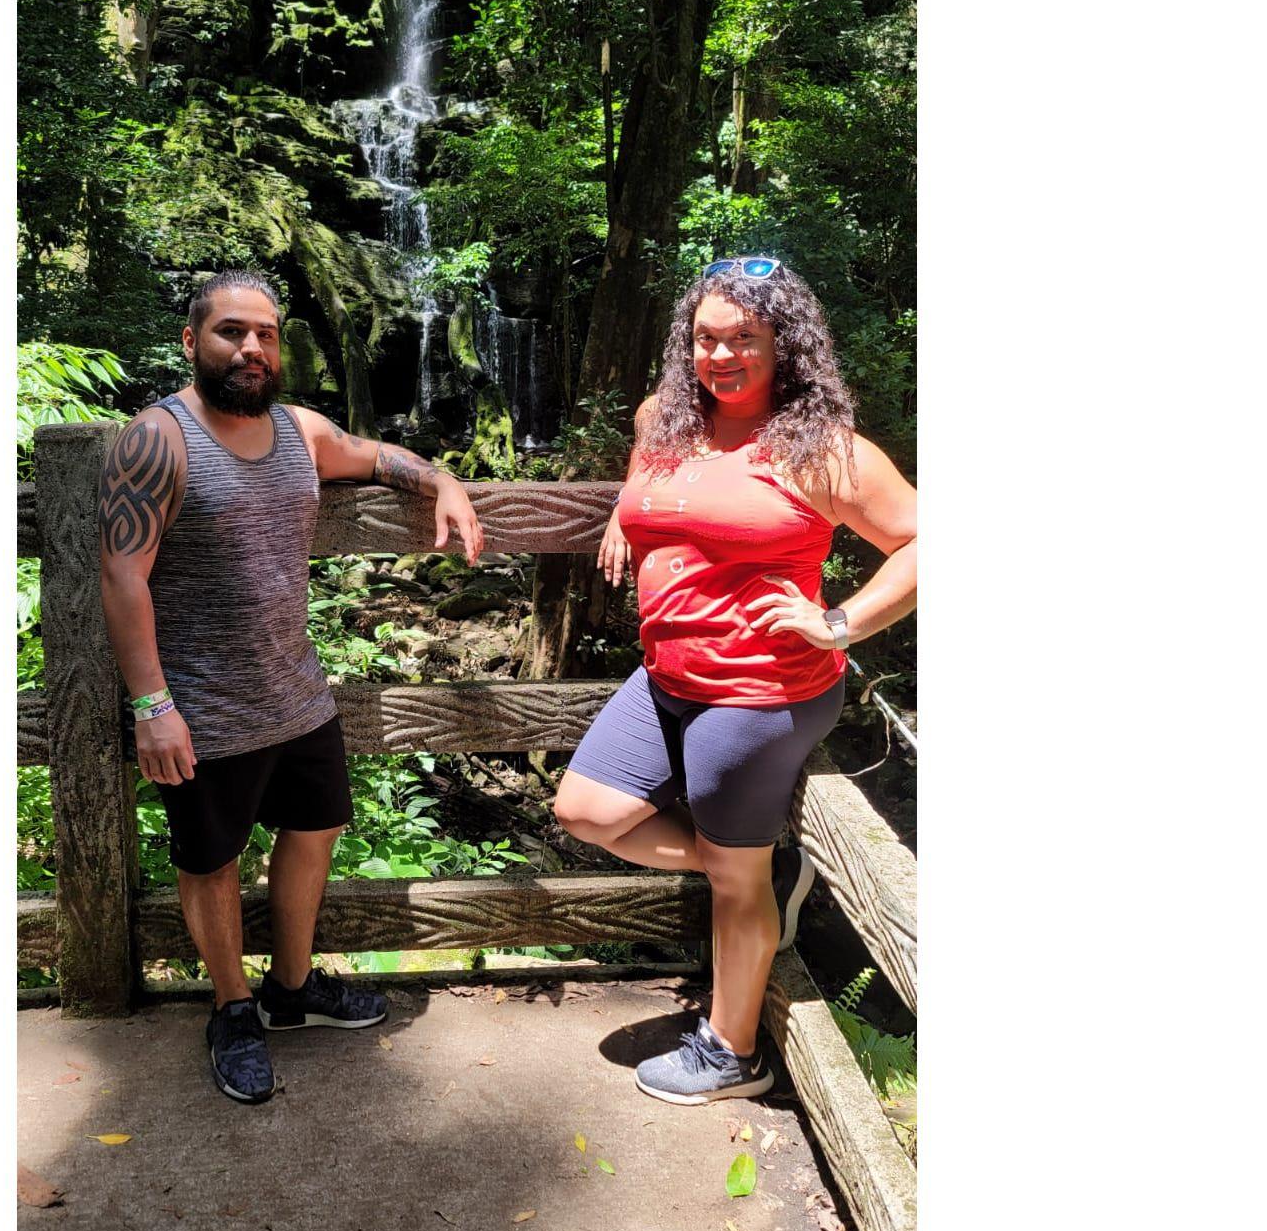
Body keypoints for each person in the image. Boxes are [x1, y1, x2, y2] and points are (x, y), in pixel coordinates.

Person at [98, 269, 484, 1105]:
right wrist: (153, 706)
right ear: (192, 341)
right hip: (201, 706)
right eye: (232, 331)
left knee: (316, 828)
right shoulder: (157, 438)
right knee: (212, 860)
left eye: (266, 335)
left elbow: (377, 456)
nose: (252, 348)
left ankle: (291, 988)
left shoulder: (299, 429)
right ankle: (232, 1007)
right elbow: (122, 576)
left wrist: (444, 482)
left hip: (297, 691)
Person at [553, 256, 916, 1104]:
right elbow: (656, 481)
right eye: (705, 338)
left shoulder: (825, 451)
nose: (720, 356)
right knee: (585, 811)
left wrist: (842, 622)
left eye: (744, 338)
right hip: (666, 676)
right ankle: (763, 871)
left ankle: (733, 1053)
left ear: (785, 345)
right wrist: (626, 514)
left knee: (731, 880)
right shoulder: (662, 419)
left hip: (761, 690)